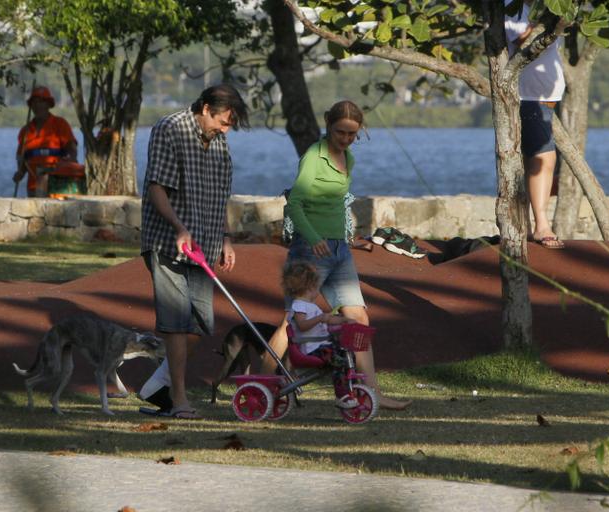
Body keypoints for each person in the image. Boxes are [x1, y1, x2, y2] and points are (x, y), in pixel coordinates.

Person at [260, 100, 411, 411]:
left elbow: (337, 204)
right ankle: (262, 382)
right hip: (311, 249)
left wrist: (346, 236)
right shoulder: (313, 158)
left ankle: (372, 392)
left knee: (359, 317)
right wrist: (314, 238)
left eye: (352, 134)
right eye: (340, 132)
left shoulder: (349, 158)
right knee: (293, 322)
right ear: (328, 125)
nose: (345, 139)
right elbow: (295, 204)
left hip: (340, 250)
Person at [138, 84, 249, 419]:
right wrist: (179, 228)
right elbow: (156, 187)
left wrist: (225, 237)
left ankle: (157, 388)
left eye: (229, 124)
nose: (225, 128)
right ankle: (179, 399)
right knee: (175, 324)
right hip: (168, 242)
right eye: (223, 121)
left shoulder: (219, 139)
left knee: (200, 324)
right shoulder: (170, 129)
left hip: (205, 246)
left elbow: (220, 196)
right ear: (205, 109)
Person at [505, 0, 566, 249]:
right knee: (543, 158)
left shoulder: (552, 8)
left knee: (537, 161)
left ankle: (531, 226)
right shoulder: (512, 6)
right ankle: (542, 225)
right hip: (528, 96)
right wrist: (542, 20)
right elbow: (521, 41)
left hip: (547, 96)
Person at [282, 261, 360, 409]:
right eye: (316, 287)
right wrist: (320, 318)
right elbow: (302, 325)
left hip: (321, 346)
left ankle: (352, 385)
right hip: (310, 349)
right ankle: (341, 394)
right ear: (309, 288)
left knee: (346, 353)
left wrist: (344, 320)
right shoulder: (299, 305)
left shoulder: (311, 306)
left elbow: (328, 319)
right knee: (338, 360)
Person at [14, 86, 78, 197]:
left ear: (48, 104)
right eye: (35, 102)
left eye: (42, 102)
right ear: (31, 106)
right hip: (34, 188)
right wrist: (20, 173)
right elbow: (22, 161)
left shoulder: (60, 124)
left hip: (58, 185)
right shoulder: (25, 131)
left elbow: (72, 150)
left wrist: (68, 163)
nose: (38, 105)